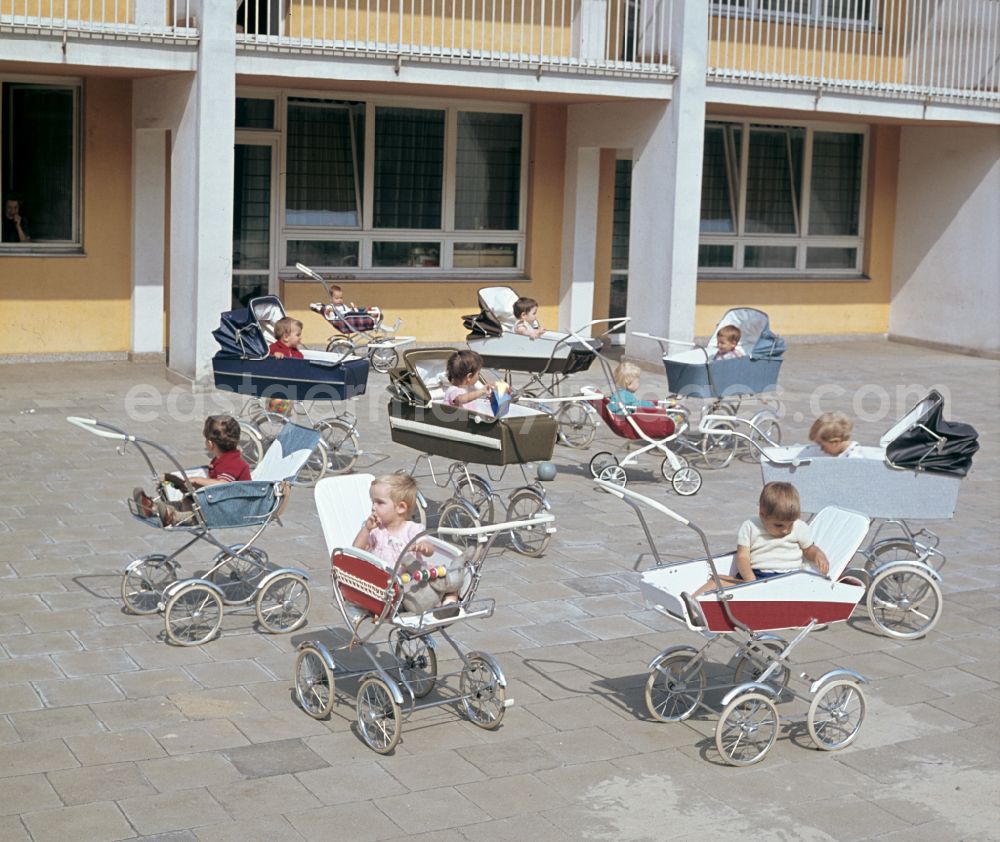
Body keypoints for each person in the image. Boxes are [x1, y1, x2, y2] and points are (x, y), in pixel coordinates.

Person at [692, 481, 830, 595]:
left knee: (720, 582)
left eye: (790, 524)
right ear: (762, 515)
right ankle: (693, 604)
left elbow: (809, 549)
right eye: (779, 525)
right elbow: (743, 557)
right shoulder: (750, 526)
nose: (786, 530)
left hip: (788, 577)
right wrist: (749, 578)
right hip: (757, 575)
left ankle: (694, 604)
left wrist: (818, 555)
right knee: (717, 581)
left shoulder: (799, 527)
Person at [353, 474, 460, 615]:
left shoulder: (412, 529)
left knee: (446, 580)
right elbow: (356, 550)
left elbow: (429, 549)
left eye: (379, 503)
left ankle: (450, 604)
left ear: (401, 508)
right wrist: (366, 529)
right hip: (390, 586)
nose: (373, 508)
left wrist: (423, 547)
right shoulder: (375, 531)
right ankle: (430, 606)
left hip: (415, 579)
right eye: (372, 502)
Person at [132, 415, 251, 526]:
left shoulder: (232, 463)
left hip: (231, 510)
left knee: (197, 514)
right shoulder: (224, 460)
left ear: (210, 444)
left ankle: (172, 517)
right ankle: (153, 507)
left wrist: (197, 480)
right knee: (186, 501)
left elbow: (223, 484)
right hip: (221, 504)